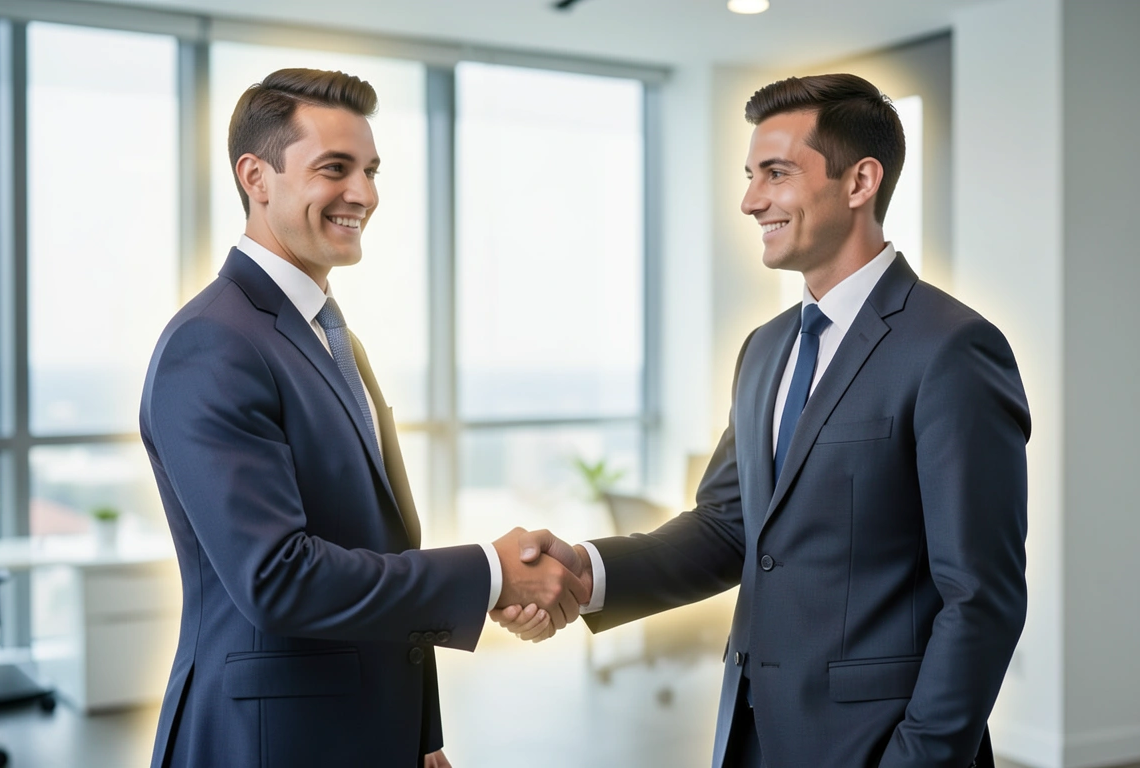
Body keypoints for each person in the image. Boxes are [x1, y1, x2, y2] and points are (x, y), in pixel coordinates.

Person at [498, 73, 1031, 768]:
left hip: (879, 748)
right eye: (750, 176)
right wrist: (586, 570)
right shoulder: (766, 348)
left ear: (860, 182)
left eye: (775, 174)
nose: (751, 201)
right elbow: (729, 528)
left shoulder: (952, 349)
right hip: (751, 735)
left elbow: (982, 598)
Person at [140, 68, 586, 768]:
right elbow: (278, 578)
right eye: (335, 169)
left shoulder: (329, 332)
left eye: (372, 171)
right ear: (256, 177)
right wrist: (491, 575)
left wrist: (419, 734)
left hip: (362, 730)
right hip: (268, 745)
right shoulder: (214, 342)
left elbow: (380, 548)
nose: (365, 194)